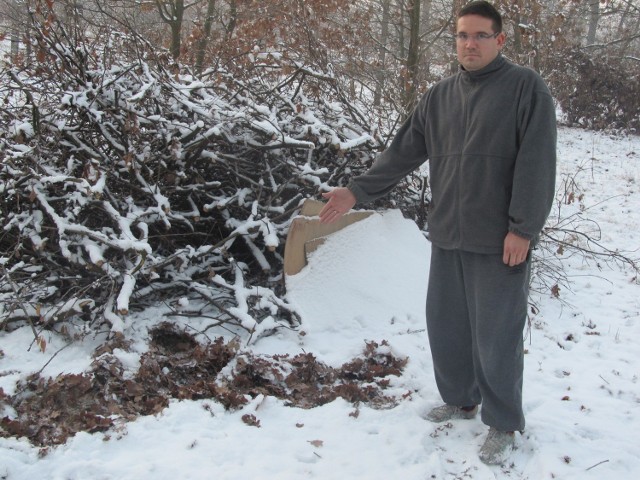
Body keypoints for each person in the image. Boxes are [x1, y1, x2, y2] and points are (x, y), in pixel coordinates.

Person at [318, 0, 557, 465]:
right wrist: (355, 193)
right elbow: (402, 153)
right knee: (447, 325)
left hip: (499, 239)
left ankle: (504, 421)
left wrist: (523, 229)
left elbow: (537, 163)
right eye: (462, 35)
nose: (469, 43)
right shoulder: (440, 95)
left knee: (496, 334)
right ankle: (460, 399)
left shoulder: (525, 88)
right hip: (448, 232)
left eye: (480, 35)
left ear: (500, 39)